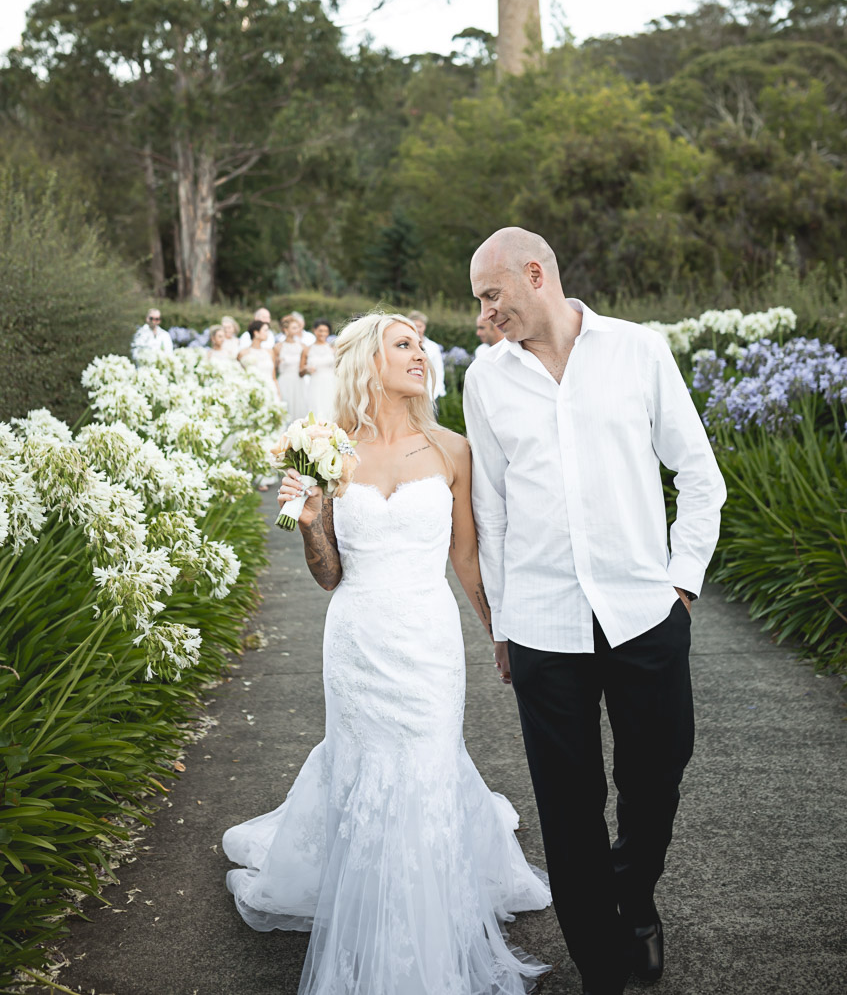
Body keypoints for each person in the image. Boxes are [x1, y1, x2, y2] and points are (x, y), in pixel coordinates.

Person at [223, 312, 551, 995]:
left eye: (420, 347)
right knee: (366, 767)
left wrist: (502, 635)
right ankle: (370, 908)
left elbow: (466, 560)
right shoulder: (328, 450)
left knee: (427, 763)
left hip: (428, 638)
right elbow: (328, 573)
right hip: (356, 637)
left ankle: (430, 921)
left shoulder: (452, 450)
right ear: (369, 361)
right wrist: (311, 527)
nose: (419, 355)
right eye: (403, 345)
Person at [464, 227, 726, 995]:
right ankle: (602, 966)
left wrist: (681, 585)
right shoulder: (487, 380)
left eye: (490, 295)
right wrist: (504, 624)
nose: (485, 313)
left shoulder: (637, 350)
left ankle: (635, 895)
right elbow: (493, 511)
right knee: (566, 806)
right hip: (543, 626)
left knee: (658, 772)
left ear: (534, 274)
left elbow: (699, 474)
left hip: (645, 613)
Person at [299, 318, 336, 421]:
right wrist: (306, 369)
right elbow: (300, 372)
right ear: (314, 330)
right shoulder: (307, 349)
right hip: (315, 384)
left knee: (331, 408)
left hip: (331, 383)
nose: (323, 333)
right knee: (316, 409)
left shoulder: (333, 348)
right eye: (320, 330)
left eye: (326, 331)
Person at [408, 309, 446, 401]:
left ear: (424, 327)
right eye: (414, 326)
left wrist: (436, 391)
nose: (417, 329)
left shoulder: (433, 347)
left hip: (430, 394)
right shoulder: (405, 346)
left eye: (420, 326)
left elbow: (438, 369)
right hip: (410, 394)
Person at [276, 314, 309, 422]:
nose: (298, 330)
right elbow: (274, 369)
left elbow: (302, 368)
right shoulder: (278, 347)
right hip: (284, 381)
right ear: (286, 330)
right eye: (294, 328)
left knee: (299, 409)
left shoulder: (302, 346)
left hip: (298, 382)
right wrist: (277, 363)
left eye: (298, 327)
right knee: (285, 408)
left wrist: (306, 369)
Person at [238, 319, 279, 397]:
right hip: (252, 391)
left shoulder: (270, 352)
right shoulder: (243, 353)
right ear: (256, 333)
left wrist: (278, 393)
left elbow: (273, 377)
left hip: (270, 389)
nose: (268, 333)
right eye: (265, 330)